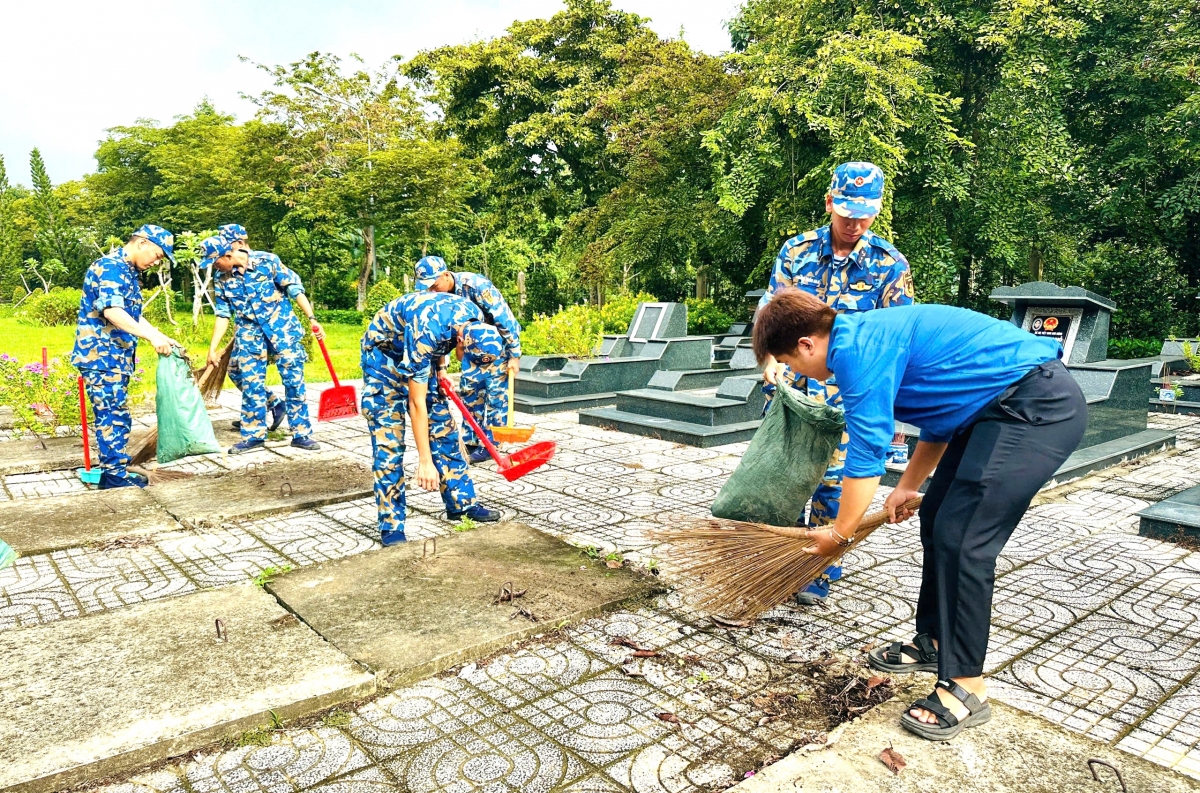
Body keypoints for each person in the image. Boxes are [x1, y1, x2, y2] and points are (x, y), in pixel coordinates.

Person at [753, 288, 1086, 741]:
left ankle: (967, 685)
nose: (798, 372)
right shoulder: (865, 335)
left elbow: (867, 453)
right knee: (938, 523)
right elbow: (941, 413)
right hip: (989, 413)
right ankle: (934, 640)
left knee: (963, 538)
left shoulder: (856, 352)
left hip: (1034, 408)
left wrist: (841, 534)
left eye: (792, 363)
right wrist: (909, 484)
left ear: (808, 344)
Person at [758, 161, 915, 606]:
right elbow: (772, 313)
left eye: (865, 214)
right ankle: (779, 554)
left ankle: (818, 567)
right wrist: (770, 358)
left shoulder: (888, 266)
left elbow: (896, 337)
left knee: (834, 482)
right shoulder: (796, 251)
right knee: (784, 478)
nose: (855, 223)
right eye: (847, 213)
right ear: (830, 202)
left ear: (878, 209)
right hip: (791, 389)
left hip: (847, 394)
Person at [361, 291, 503, 545]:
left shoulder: (475, 318)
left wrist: (440, 369)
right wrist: (424, 460)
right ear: (462, 340)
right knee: (389, 440)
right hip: (383, 359)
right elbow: (416, 404)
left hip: (419, 353)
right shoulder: (427, 333)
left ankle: (462, 504)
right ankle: (391, 524)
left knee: (444, 430)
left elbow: (442, 341)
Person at [71, 224, 180, 488]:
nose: (157, 261)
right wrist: (151, 337)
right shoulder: (110, 267)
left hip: (114, 357)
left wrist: (160, 335)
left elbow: (132, 314)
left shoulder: (127, 272)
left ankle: (115, 471)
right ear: (142, 243)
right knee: (112, 416)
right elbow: (113, 312)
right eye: (157, 254)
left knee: (117, 415)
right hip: (101, 357)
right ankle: (113, 478)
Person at [201, 236, 322, 454]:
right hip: (250, 336)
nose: (214, 267)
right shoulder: (221, 278)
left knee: (294, 382)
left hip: (282, 330)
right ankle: (253, 436)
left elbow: (294, 289)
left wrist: (312, 318)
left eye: (215, 261)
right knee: (251, 385)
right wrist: (213, 348)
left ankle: (301, 434)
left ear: (227, 255)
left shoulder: (268, 262)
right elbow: (222, 314)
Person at [415, 255, 522, 463]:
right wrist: (442, 366)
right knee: (470, 393)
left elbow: (504, 318)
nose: (432, 291)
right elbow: (440, 331)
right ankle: (471, 439)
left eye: (434, 285)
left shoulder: (476, 286)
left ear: (446, 275)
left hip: (495, 347)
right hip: (469, 350)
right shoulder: (436, 298)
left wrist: (514, 354)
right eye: (427, 287)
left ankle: (492, 444)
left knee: (495, 396)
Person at [216, 224, 285, 433]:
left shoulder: (266, 262)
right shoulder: (224, 275)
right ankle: (270, 404)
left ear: (238, 243)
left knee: (251, 374)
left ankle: (256, 419)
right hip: (245, 333)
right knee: (235, 370)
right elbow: (224, 311)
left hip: (272, 331)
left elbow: (288, 291)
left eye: (224, 244)